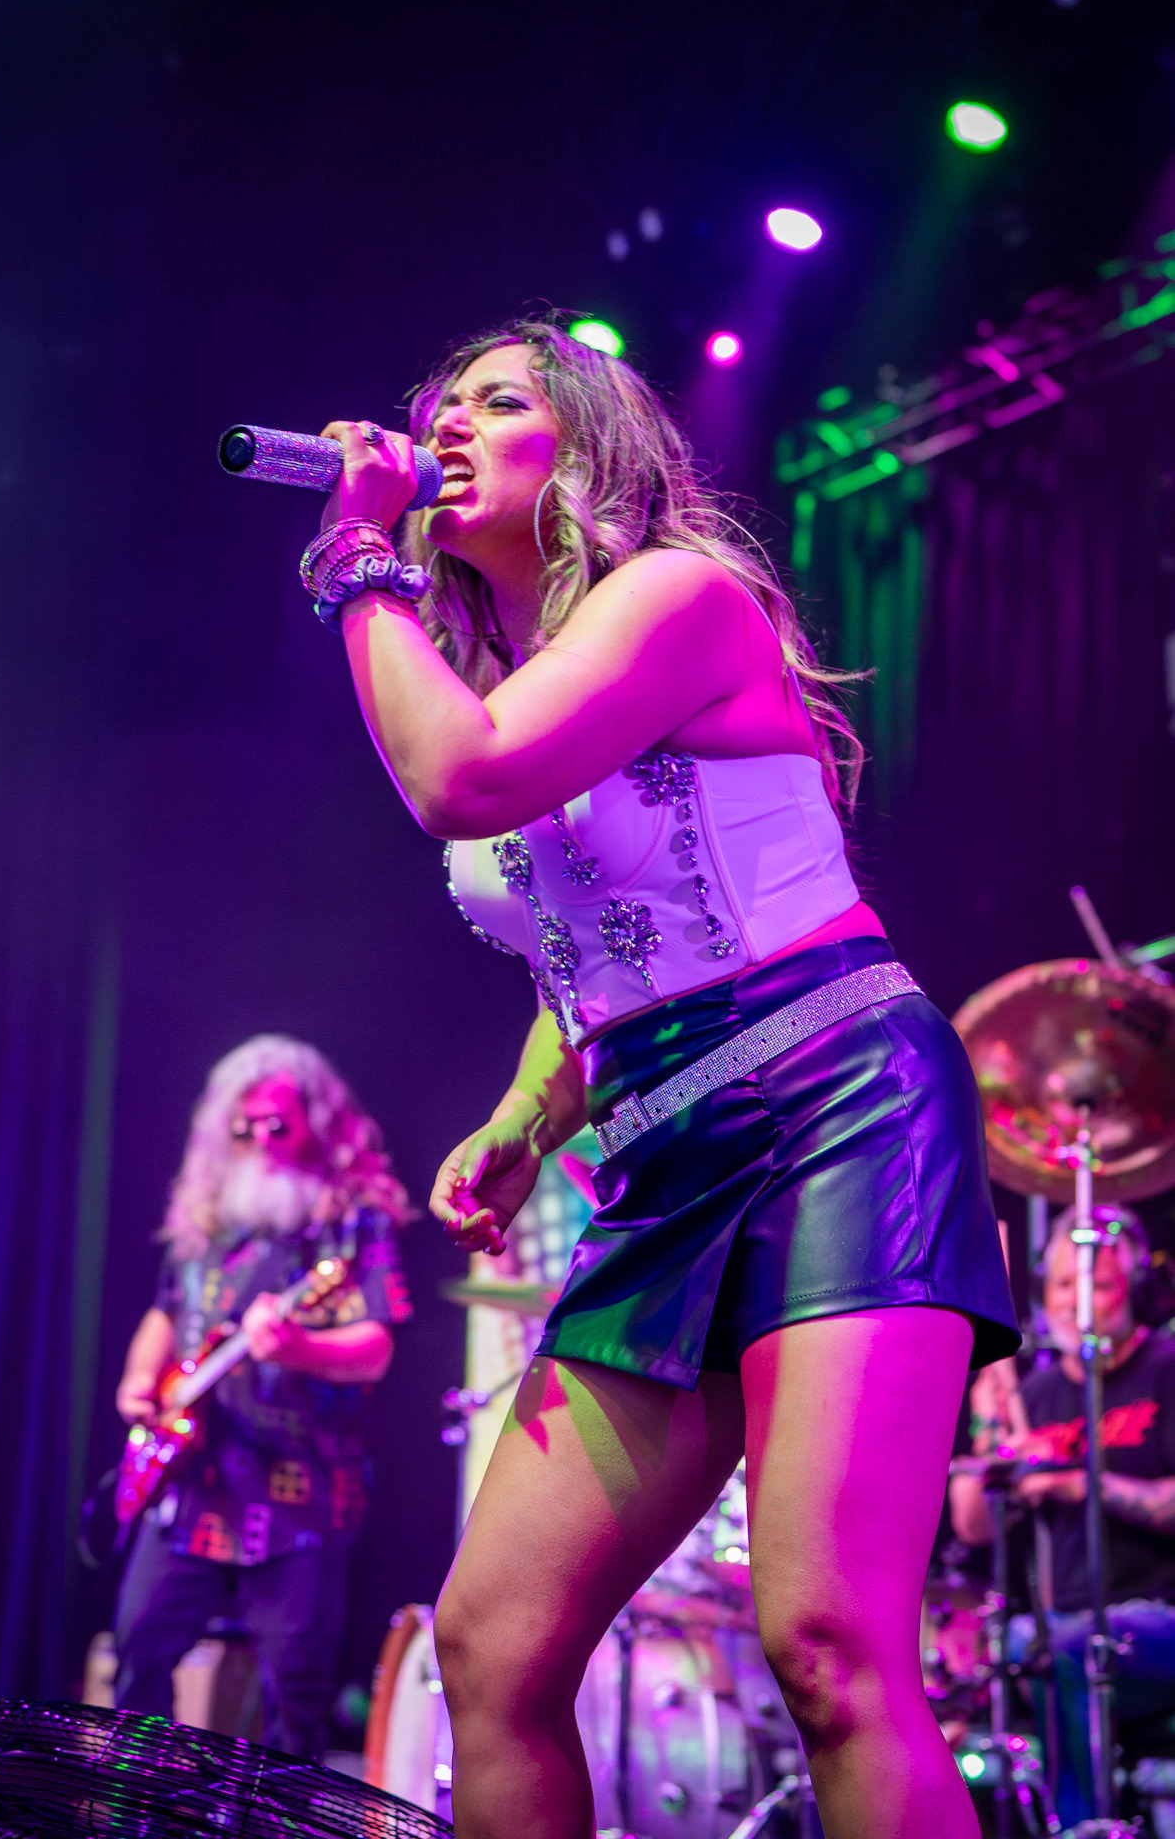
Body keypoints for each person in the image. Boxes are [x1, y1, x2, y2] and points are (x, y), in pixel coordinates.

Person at [298, 316, 1019, 1839]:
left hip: (835, 1101)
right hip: (659, 1147)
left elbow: (464, 781)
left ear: (591, 447)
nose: (445, 425)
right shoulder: (503, 670)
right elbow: (590, 949)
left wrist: (355, 561)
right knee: (492, 1648)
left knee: (829, 1647)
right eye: (435, 404)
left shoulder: (681, 597)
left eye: (497, 401)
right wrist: (525, 1114)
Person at [111, 1034, 412, 1756]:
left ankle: (276, 1813)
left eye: (278, 1125)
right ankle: (143, 1802)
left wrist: (299, 1347)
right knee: (139, 1648)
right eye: (244, 1128)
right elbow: (165, 1309)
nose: (261, 1142)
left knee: (295, 1691)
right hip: (192, 1481)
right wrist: (137, 1382)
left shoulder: (350, 1218)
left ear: (319, 1123)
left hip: (300, 1490)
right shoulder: (208, 1212)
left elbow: (375, 1348)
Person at [950, 1206, 1175, 1827]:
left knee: (1051, 1644)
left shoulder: (1166, 1367)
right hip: (1061, 1626)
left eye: (1099, 1286)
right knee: (1021, 1647)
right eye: (1063, 1286)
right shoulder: (1036, 1396)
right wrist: (991, 1431)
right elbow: (972, 1525)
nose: (1078, 1304)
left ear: (1135, 1290)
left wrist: (1076, 1483)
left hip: (1160, 1618)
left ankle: (1084, 1827)